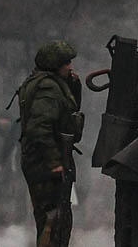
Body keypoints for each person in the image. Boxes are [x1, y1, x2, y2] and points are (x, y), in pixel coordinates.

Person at [17, 40, 84, 247]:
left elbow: (64, 112)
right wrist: (55, 161)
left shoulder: (49, 84)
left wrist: (72, 86)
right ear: (55, 65)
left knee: (56, 219)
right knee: (53, 221)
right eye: (66, 63)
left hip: (44, 163)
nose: (70, 67)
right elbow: (40, 128)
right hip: (45, 165)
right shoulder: (48, 88)